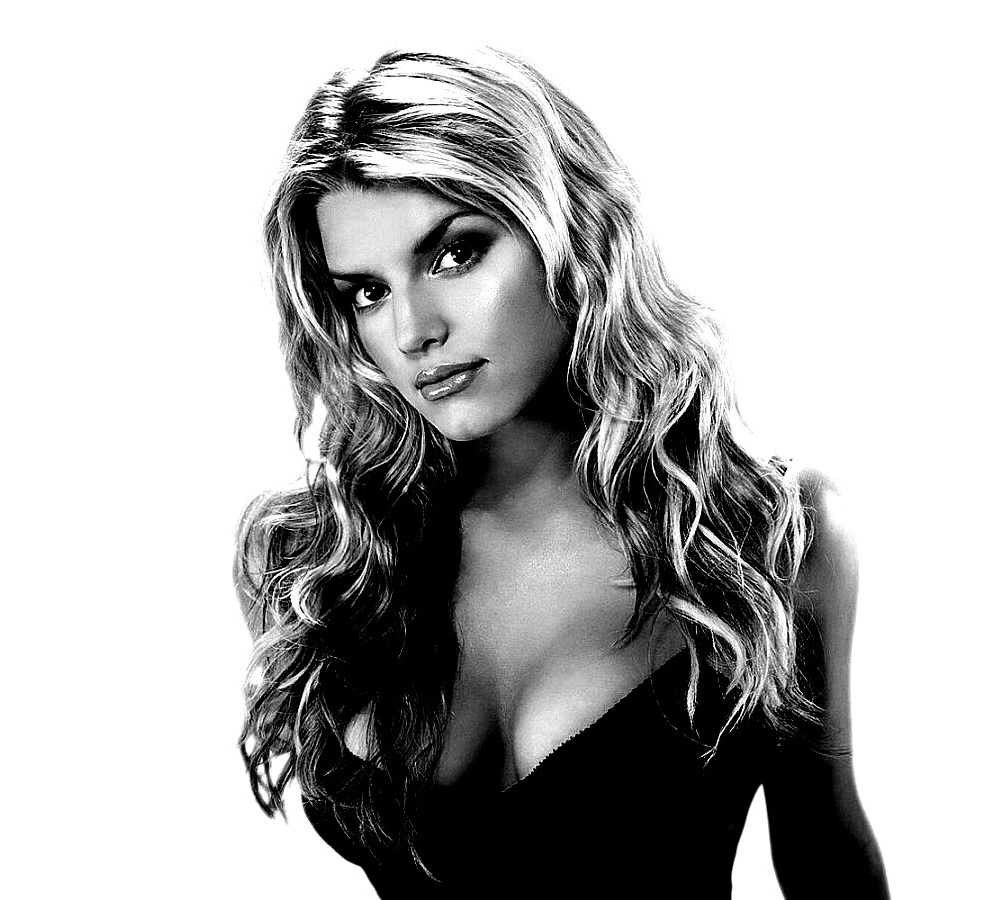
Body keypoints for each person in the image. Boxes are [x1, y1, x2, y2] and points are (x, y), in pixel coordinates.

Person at [233, 48, 889, 897]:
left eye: (455, 254)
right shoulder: (310, 565)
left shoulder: (767, 538)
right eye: (367, 291)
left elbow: (827, 861)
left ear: (569, 231)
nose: (412, 330)